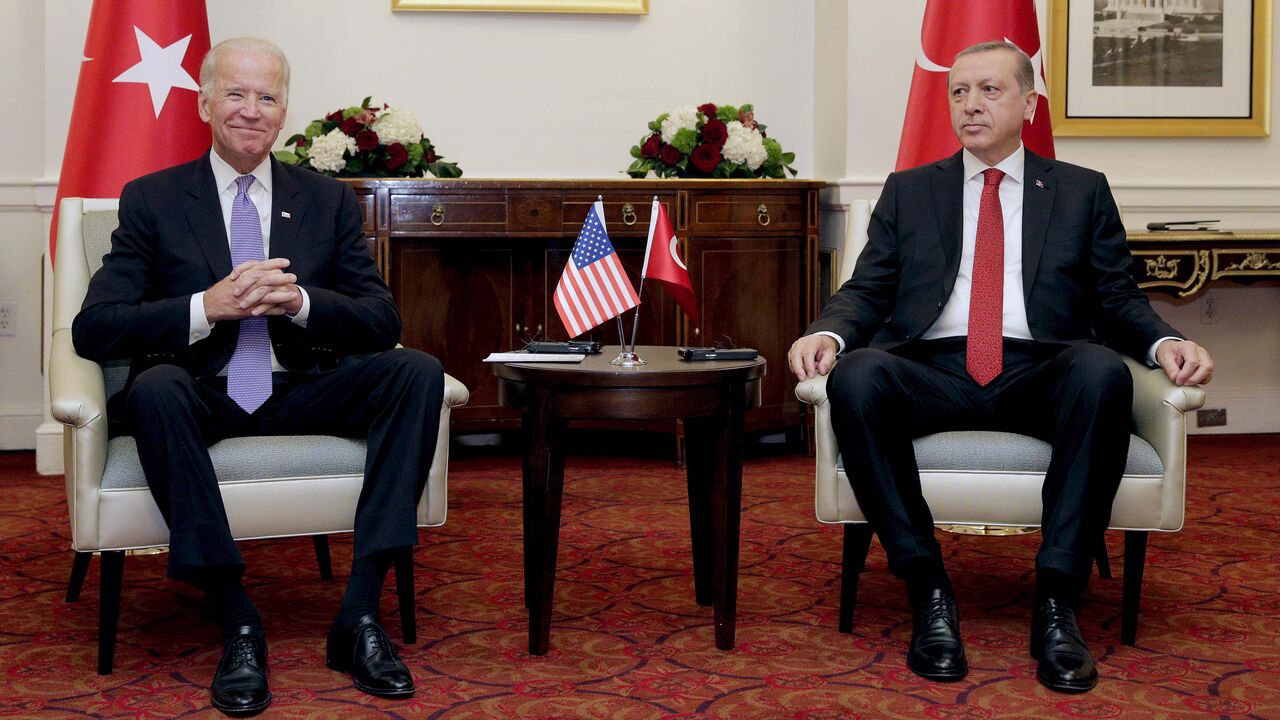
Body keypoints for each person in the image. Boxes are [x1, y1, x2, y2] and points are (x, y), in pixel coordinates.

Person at [788, 40, 1212, 693]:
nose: (971, 104)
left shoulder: (1079, 191)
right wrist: (827, 332)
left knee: (1102, 371)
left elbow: (1117, 296)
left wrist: (1165, 344)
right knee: (859, 375)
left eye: (990, 89)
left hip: (1039, 367)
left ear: (1028, 103)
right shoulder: (909, 192)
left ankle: (1056, 603)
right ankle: (928, 590)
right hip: (934, 366)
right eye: (958, 92)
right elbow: (867, 290)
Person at [72, 38, 444, 715]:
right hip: (202, 394)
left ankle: (359, 615)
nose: (251, 110)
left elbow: (380, 319)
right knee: (154, 389)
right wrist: (202, 308)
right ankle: (237, 616)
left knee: (415, 372)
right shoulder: (153, 200)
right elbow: (94, 329)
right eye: (236, 94)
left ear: (283, 112)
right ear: (204, 103)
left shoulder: (325, 201)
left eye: (267, 97)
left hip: (301, 388)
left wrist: (300, 304)